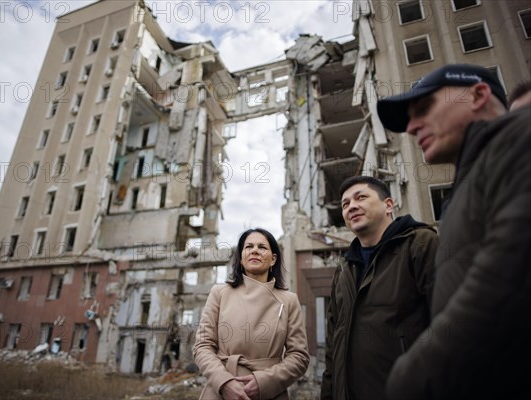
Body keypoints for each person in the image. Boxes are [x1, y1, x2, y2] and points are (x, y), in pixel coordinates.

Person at [377, 64, 531, 400]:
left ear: (477, 95)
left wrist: (412, 376)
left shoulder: (520, 135)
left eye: (423, 109)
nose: (412, 128)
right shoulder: (470, 183)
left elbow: (510, 275)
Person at [321, 176, 438, 400]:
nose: (351, 206)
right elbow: (332, 345)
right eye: (345, 204)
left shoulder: (420, 244)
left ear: (388, 205)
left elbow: (453, 326)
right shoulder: (344, 269)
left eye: (361, 197)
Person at [193, 228, 309, 400]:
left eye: (262, 247)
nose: (255, 250)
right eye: (248, 247)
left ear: (273, 259)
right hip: (221, 391)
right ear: (240, 258)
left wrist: (264, 383)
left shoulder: (289, 300)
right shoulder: (219, 293)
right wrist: (224, 382)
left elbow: (299, 356)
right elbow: (202, 346)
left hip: (269, 393)